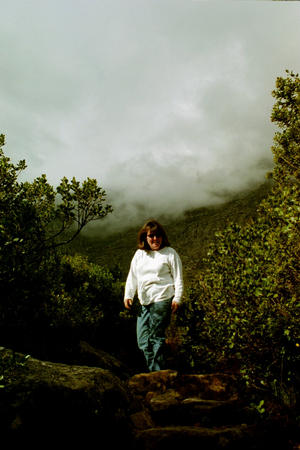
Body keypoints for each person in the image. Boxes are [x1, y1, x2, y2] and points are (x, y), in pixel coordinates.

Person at [124, 219, 184, 372]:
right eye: (151, 236)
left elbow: (178, 277)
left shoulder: (170, 253)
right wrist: (128, 295)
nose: (155, 239)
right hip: (144, 300)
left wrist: (177, 298)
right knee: (142, 339)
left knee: (156, 336)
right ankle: (155, 370)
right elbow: (133, 276)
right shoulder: (140, 254)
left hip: (163, 297)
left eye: (158, 236)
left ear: (162, 237)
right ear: (145, 238)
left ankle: (158, 373)